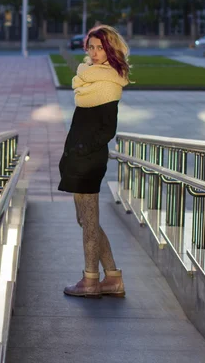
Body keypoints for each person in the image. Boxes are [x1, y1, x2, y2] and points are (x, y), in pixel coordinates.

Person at [58, 24, 130, 298]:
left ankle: (90, 280)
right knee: (84, 219)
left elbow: (106, 129)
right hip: (78, 157)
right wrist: (71, 153)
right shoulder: (88, 80)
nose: (95, 52)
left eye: (101, 47)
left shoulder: (109, 83)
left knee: (88, 220)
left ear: (110, 50)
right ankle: (112, 277)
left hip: (88, 159)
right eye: (91, 47)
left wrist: (81, 149)